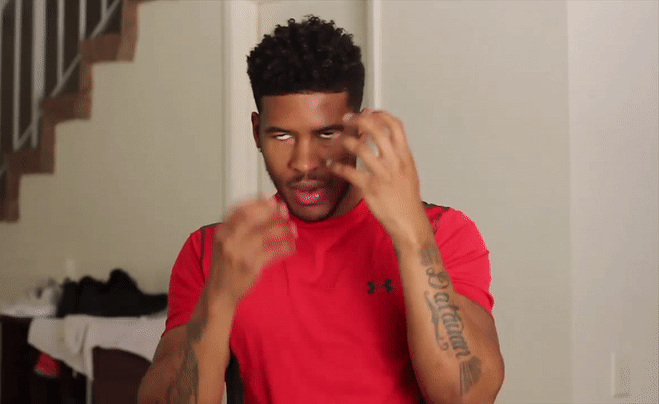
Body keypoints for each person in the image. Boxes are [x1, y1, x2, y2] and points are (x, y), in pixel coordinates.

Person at [138, 16, 504, 404]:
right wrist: (219, 299)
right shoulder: (217, 251)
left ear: (359, 131)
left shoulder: (443, 232)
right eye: (282, 135)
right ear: (256, 132)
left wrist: (413, 239)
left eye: (326, 134)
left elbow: (468, 395)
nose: (304, 163)